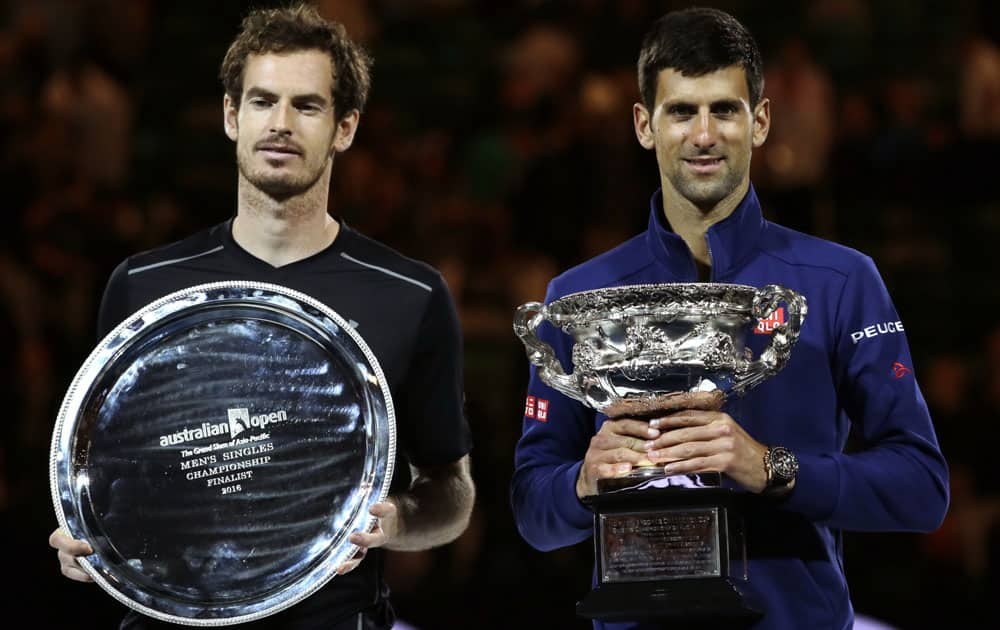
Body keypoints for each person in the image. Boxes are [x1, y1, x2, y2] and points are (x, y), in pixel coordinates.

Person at [510, 7, 948, 630]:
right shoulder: (582, 297)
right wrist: (584, 481)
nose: (704, 134)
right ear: (644, 125)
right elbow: (533, 512)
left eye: (725, 109)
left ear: (760, 121)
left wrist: (770, 468)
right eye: (681, 111)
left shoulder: (841, 281)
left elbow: (921, 488)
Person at [48, 5, 475, 629]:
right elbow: (110, 472)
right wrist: (84, 540)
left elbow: (451, 491)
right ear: (230, 115)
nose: (279, 124)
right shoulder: (144, 286)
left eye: (307, 106)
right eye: (260, 101)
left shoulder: (410, 293)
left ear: (345, 127)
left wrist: (400, 521)